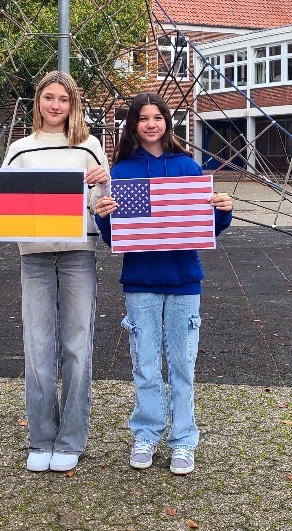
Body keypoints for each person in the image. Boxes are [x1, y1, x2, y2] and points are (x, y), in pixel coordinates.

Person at [0, 71, 110, 473]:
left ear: (73, 103)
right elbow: (5, 208)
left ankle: (71, 439)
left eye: (63, 98)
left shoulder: (90, 146)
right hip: (35, 257)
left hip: (79, 253)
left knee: (77, 347)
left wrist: (103, 183)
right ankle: (42, 438)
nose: (56, 105)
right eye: (49, 97)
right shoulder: (20, 149)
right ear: (38, 102)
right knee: (37, 346)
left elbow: (104, 205)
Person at [93, 93, 232, 475]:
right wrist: (103, 217)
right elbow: (116, 237)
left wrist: (223, 212)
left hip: (184, 280)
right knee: (146, 365)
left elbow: (205, 228)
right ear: (133, 125)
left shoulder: (187, 167)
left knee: (183, 365)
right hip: (140, 282)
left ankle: (184, 440)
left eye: (157, 117)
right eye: (143, 118)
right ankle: (147, 434)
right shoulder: (122, 173)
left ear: (167, 122)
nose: (151, 124)